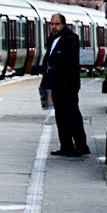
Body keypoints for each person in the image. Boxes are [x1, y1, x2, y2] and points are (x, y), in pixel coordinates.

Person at [40, 13, 88, 156]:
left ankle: (81, 145)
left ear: (64, 24)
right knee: (60, 116)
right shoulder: (52, 39)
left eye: (57, 24)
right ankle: (66, 145)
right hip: (56, 85)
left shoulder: (71, 39)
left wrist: (58, 75)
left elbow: (69, 63)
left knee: (72, 115)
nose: (54, 27)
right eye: (52, 24)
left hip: (67, 85)